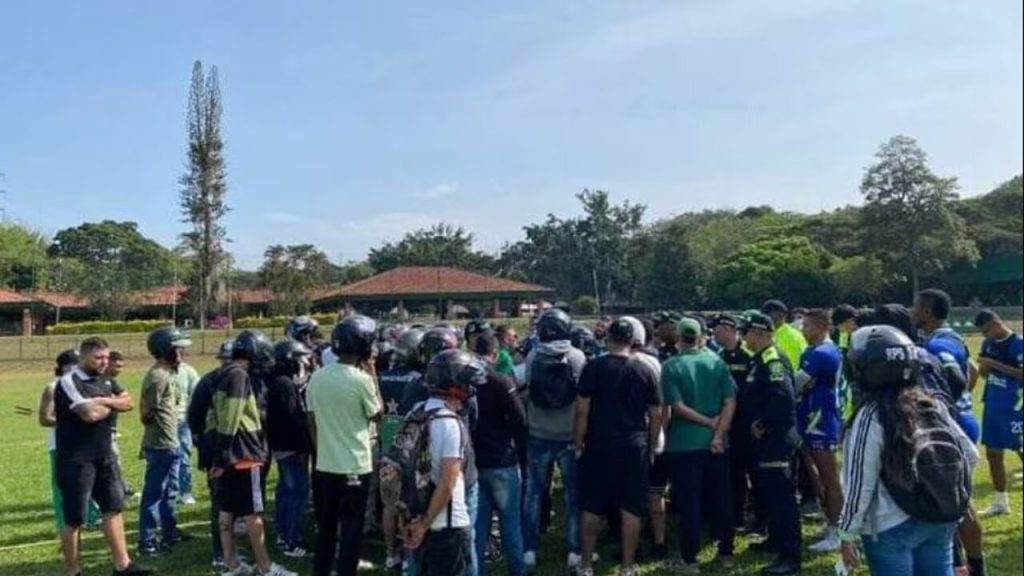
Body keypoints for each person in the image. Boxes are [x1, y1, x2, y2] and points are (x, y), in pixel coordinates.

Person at [839, 325, 979, 576]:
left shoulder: (870, 414)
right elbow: (969, 454)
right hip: (940, 519)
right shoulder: (931, 403)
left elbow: (860, 481)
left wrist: (847, 533)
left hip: (890, 525)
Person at [54, 337, 153, 576]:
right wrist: (111, 404)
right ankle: (73, 570)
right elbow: (89, 414)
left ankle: (123, 566)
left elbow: (128, 402)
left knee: (114, 508)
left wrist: (103, 400)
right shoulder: (68, 381)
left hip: (105, 455)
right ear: (84, 356)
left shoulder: (107, 380)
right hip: (76, 460)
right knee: (74, 519)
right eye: (98, 358)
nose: (104, 362)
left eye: (106, 357)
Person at [574, 316, 663, 576]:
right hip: (634, 444)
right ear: (633, 341)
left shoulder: (594, 368)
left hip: (599, 443)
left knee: (591, 505)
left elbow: (582, 409)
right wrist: (651, 443)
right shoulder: (645, 369)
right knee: (631, 506)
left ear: (608, 338)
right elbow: (656, 413)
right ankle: (627, 567)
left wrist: (578, 442)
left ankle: (586, 565)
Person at [912, 288, 987, 576]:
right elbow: (973, 371)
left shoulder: (939, 343)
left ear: (927, 312)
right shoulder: (946, 337)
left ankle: (975, 568)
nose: (912, 311)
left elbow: (956, 376)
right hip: (958, 421)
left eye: (915, 307)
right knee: (950, 502)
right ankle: (960, 566)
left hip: (953, 427)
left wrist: (944, 406)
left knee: (959, 502)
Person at [210, 330, 295, 576]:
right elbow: (230, 419)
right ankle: (266, 567)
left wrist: (219, 455)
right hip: (245, 455)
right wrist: (223, 456)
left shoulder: (221, 374)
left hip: (229, 456)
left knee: (226, 511)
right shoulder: (239, 375)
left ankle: (231, 563)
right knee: (253, 514)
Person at [307, 316, 382, 576]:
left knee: (327, 527)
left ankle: (322, 570)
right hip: (355, 466)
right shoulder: (361, 380)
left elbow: (312, 420)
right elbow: (376, 414)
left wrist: (323, 449)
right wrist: (372, 374)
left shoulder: (316, 377)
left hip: (325, 465)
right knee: (351, 529)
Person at [659, 317, 735, 573]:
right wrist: (717, 431)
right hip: (716, 443)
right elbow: (730, 401)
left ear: (679, 338)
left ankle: (690, 558)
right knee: (721, 498)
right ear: (702, 336)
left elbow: (676, 407)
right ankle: (726, 552)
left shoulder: (671, 366)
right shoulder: (717, 362)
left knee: (689, 502)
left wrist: (706, 422)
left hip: (683, 443)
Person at [402, 350, 483, 576]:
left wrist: (413, 521)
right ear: (455, 385)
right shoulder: (450, 423)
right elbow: (448, 483)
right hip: (448, 526)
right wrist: (425, 523)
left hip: (416, 516)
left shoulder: (415, 412)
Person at [523, 308, 586, 572]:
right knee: (573, 496)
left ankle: (529, 549)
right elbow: (583, 398)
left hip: (538, 433)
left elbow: (527, 389)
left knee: (533, 493)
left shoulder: (533, 356)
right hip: (569, 436)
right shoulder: (577, 357)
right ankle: (573, 550)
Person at [740, 312, 802, 576]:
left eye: (746, 331)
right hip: (765, 441)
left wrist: (763, 422)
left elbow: (783, 399)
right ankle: (775, 540)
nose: (743, 336)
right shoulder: (759, 359)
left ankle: (790, 555)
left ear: (760, 331)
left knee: (782, 497)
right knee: (770, 493)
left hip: (775, 438)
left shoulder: (773, 360)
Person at [471, 331, 529, 576]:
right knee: (510, 523)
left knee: (478, 527)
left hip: (475, 462)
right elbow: (520, 422)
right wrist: (524, 461)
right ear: (495, 354)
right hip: (503, 460)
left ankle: (477, 571)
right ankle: (518, 571)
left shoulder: (466, 384)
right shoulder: (503, 382)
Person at [138, 327, 193, 555]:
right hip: (161, 444)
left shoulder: (168, 373)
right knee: (154, 493)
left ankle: (170, 533)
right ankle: (148, 542)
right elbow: (147, 413)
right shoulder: (157, 377)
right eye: (177, 348)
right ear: (165, 349)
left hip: (171, 442)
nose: (181, 352)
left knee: (171, 490)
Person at [794, 310, 845, 553]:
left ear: (822, 326)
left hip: (821, 420)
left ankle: (839, 531)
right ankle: (831, 522)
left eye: (807, 326)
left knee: (829, 477)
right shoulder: (812, 351)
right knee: (817, 475)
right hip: (810, 418)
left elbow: (797, 383)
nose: (803, 330)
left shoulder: (822, 353)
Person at [40, 349, 103, 535]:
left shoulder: (85, 385)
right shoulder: (53, 387)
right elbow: (45, 418)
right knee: (62, 487)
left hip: (87, 443)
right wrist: (72, 420)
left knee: (90, 481)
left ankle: (92, 517)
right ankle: (64, 523)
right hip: (61, 445)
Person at [379, 327, 426, 570]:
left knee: (390, 501)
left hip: (388, 437)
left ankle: (390, 553)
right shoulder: (419, 379)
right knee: (410, 500)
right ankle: (410, 554)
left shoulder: (383, 376)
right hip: (410, 441)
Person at [266, 340, 314, 558]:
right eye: (300, 359)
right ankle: (290, 539)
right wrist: (303, 445)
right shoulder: (284, 385)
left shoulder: (279, 381)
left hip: (282, 447)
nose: (304, 362)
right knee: (297, 493)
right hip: (290, 449)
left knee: (286, 492)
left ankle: (282, 534)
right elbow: (292, 418)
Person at [973, 309, 1023, 517]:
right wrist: (984, 368)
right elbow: (984, 374)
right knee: (993, 454)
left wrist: (993, 364)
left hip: (1016, 408)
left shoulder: (1018, 343)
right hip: (993, 406)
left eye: (986, 331)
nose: (985, 337)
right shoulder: (988, 344)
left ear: (995, 324)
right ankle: (1000, 501)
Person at [712, 312, 757, 532]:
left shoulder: (748, 354)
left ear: (729, 329)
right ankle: (736, 515)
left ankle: (758, 517)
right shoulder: (720, 355)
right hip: (728, 423)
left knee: (753, 471)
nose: (713, 333)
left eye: (717, 329)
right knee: (733, 472)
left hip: (747, 423)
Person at [175, 351, 201, 506]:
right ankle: (170, 490)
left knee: (184, 456)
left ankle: (185, 491)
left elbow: (197, 395)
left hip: (183, 421)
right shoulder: (161, 372)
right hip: (165, 423)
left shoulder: (189, 371)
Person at [761, 300, 807, 376]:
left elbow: (793, 367)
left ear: (781, 315)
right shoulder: (767, 333)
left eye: (769, 314)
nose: (765, 318)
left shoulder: (792, 337)